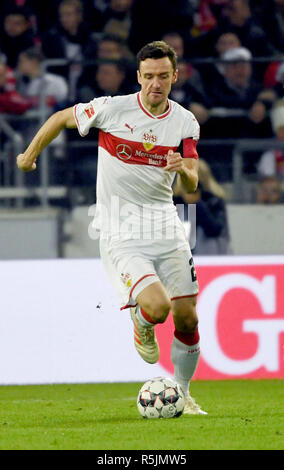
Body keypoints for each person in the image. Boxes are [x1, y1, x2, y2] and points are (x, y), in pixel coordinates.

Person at [17, 40, 207, 415]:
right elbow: (59, 118)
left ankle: (183, 395)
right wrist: (29, 154)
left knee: (188, 317)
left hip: (166, 225)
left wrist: (183, 169)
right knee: (157, 308)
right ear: (138, 76)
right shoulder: (111, 109)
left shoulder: (185, 122)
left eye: (163, 76)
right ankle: (140, 318)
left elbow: (192, 184)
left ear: (175, 77)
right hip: (121, 227)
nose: (156, 83)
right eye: (149, 76)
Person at [174, 159, 232, 255]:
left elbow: (215, 230)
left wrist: (197, 204)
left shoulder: (214, 201)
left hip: (211, 257)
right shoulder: (174, 202)